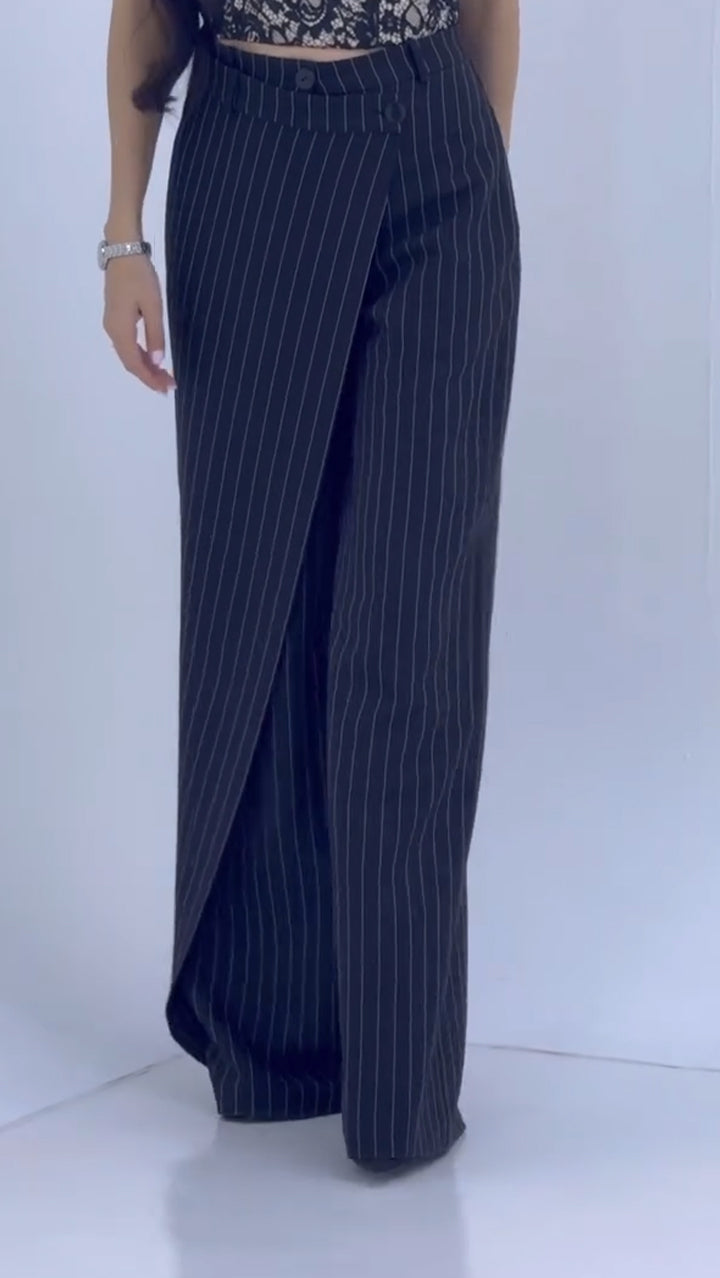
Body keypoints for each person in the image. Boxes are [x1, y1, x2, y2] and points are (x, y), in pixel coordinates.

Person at [102, 0, 521, 1176]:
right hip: (250, 149)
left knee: (412, 623)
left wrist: (478, 175)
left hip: (440, 157)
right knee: (260, 604)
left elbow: (493, 9)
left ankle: (399, 1083)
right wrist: (123, 237)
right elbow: (145, 20)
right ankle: (279, 1047)